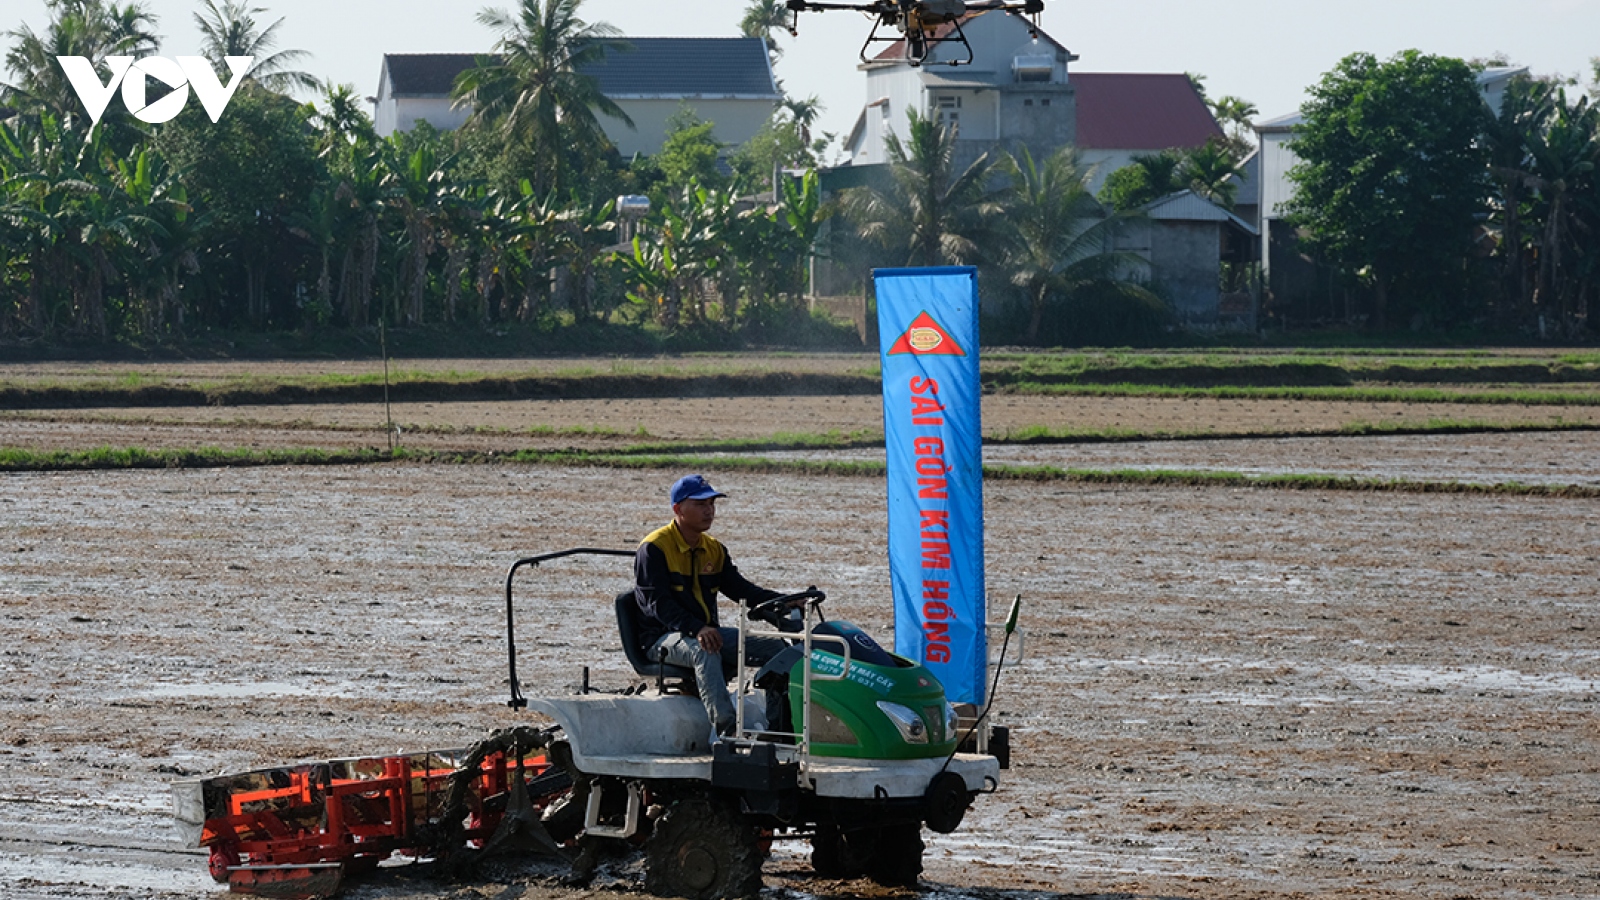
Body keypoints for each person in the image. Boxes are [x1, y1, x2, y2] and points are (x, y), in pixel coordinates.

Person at [634, 473, 796, 739]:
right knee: (706, 650)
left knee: (778, 650)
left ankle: (780, 731)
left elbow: (742, 590)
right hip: (663, 637)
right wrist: (697, 628)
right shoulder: (654, 548)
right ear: (678, 509)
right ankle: (726, 733)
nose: (709, 510)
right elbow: (656, 603)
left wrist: (785, 601)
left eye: (711, 503)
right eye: (700, 504)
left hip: (704, 632)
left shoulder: (714, 549)